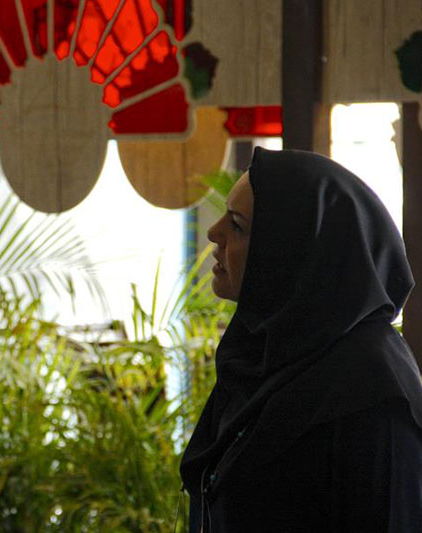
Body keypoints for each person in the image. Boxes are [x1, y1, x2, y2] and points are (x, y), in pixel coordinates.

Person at [180, 147, 422, 532]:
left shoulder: (372, 391)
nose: (214, 233)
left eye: (237, 225)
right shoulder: (272, 352)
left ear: (292, 247)